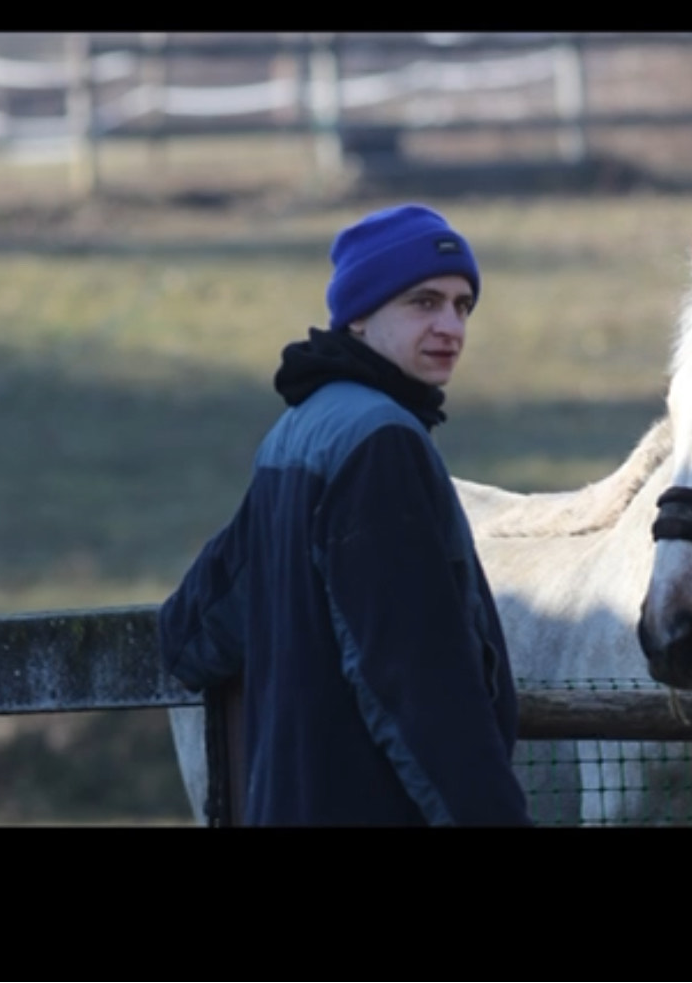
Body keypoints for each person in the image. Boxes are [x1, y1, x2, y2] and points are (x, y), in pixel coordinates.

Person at [158, 203, 532, 826]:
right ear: (358, 314)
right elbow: (411, 676)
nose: (451, 326)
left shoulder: (297, 431)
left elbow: (190, 632)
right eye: (423, 302)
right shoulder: (381, 441)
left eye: (462, 306)